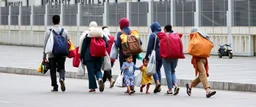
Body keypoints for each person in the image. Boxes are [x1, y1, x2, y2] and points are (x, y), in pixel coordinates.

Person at [186, 27, 216, 98]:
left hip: (204, 58)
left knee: (203, 75)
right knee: (203, 73)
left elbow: (210, 43)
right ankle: (207, 90)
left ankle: (190, 85)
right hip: (198, 59)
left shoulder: (202, 37)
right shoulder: (195, 38)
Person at [80, 21, 108, 93]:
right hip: (99, 55)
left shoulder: (87, 34)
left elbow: (83, 46)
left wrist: (81, 55)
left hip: (89, 56)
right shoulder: (101, 33)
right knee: (98, 70)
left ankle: (92, 87)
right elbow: (107, 44)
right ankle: (99, 78)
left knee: (91, 72)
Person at [43, 15, 70, 92]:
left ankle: (55, 86)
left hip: (52, 54)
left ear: (52, 21)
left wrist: (44, 56)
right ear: (59, 21)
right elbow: (68, 42)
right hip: (62, 53)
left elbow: (45, 44)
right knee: (61, 68)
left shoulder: (49, 31)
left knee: (53, 70)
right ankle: (61, 78)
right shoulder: (64, 31)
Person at [116, 18, 142, 93]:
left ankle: (128, 88)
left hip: (123, 55)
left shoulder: (120, 33)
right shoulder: (133, 32)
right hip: (133, 54)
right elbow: (140, 42)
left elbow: (118, 44)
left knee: (125, 71)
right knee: (132, 70)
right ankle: (132, 86)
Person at [160, 25, 180, 95]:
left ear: (165, 29)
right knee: (173, 71)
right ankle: (175, 85)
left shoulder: (164, 36)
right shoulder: (176, 35)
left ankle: (170, 89)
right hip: (175, 56)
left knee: (168, 72)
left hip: (166, 56)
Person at [145, 22, 162, 93]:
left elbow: (149, 47)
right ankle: (158, 86)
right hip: (162, 54)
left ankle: (157, 82)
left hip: (155, 54)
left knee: (154, 68)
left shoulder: (153, 35)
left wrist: (146, 56)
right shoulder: (162, 34)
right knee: (158, 69)